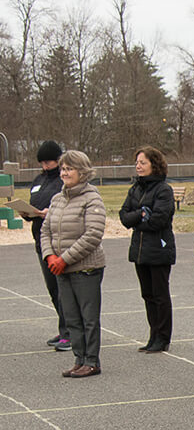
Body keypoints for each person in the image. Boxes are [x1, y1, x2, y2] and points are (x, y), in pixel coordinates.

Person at [41, 149, 107, 378]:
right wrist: (50, 256)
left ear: (83, 171)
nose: (65, 173)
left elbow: (93, 234)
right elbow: (45, 230)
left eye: (70, 169)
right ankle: (79, 359)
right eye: (63, 168)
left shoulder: (92, 198)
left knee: (88, 317)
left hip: (85, 269)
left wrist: (64, 258)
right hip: (61, 268)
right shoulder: (57, 199)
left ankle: (92, 361)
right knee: (71, 317)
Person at [119, 146, 177, 353]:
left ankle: (163, 337)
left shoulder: (163, 190)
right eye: (137, 163)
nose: (138, 166)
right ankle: (153, 334)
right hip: (140, 251)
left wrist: (140, 219)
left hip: (159, 249)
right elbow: (124, 216)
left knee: (160, 295)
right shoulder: (135, 189)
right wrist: (140, 215)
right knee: (147, 295)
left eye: (143, 162)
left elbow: (159, 220)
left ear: (154, 164)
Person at [29, 140, 70, 351]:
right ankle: (64, 329)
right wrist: (27, 212)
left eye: (49, 162)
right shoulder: (38, 180)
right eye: (42, 163)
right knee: (53, 289)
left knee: (64, 289)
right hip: (40, 239)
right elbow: (34, 202)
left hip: (58, 240)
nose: (45, 166)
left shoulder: (62, 181)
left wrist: (49, 212)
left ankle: (70, 332)